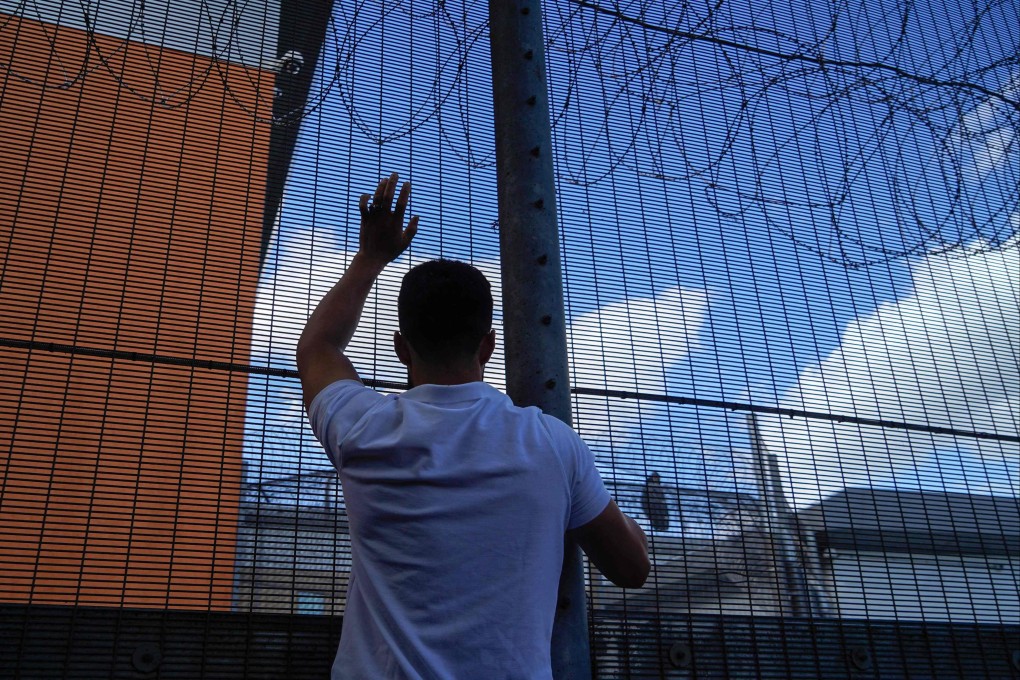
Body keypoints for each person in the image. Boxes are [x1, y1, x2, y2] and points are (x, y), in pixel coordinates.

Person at [297, 173, 649, 679]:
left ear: (401, 348)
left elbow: (318, 347)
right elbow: (632, 568)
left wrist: (370, 257)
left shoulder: (364, 430)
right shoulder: (551, 445)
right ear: (488, 346)